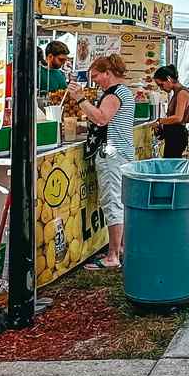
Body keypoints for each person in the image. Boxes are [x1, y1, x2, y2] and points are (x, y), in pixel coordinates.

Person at [65, 53, 134, 270]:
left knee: (113, 202)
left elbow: (102, 118)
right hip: (120, 151)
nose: (94, 80)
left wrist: (80, 99)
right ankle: (120, 247)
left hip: (111, 153)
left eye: (96, 76)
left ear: (108, 73)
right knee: (119, 201)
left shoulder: (114, 94)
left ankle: (112, 256)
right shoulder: (123, 91)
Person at [153, 65, 189, 158]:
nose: (161, 88)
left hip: (177, 136)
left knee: (171, 164)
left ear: (168, 79)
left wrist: (160, 121)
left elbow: (178, 117)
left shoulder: (182, 93)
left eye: (161, 85)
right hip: (173, 134)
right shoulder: (177, 93)